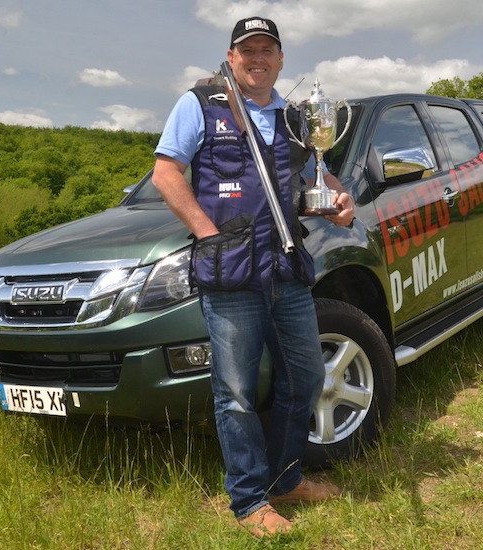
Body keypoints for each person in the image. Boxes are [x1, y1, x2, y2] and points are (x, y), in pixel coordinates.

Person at [152, 16, 354, 538]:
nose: (258, 58)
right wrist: (205, 232)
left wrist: (337, 196)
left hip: (286, 269)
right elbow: (166, 172)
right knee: (237, 393)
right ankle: (247, 499)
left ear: (281, 60)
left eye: (268, 50)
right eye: (249, 50)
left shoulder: (293, 118)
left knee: (306, 377)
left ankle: (286, 479)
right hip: (232, 273)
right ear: (232, 56)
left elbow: (313, 172)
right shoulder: (200, 103)